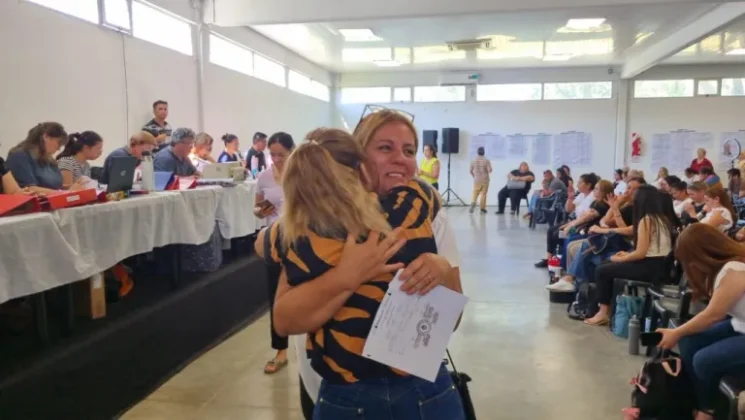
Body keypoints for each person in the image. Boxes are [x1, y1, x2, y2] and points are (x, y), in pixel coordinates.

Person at [268, 112, 464, 419]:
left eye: (409, 151)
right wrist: (347, 275)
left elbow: (453, 319)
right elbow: (284, 321)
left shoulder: (427, 212)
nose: (400, 159)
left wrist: (440, 268)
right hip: (340, 388)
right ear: (357, 157)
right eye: (385, 148)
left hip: (421, 381)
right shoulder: (313, 222)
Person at [657, 223, 745, 420]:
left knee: (703, 360)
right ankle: (700, 403)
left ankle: (708, 410)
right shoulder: (725, 268)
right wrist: (680, 333)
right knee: (689, 341)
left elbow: (713, 315)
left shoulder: (735, 269)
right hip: (740, 324)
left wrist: (676, 332)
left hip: (740, 325)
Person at [584, 186, 676, 326]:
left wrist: (620, 259)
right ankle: (605, 310)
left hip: (650, 267)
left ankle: (602, 313)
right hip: (659, 266)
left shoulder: (647, 220)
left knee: (602, 270)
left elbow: (640, 253)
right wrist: (627, 254)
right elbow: (649, 248)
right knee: (605, 266)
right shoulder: (661, 219)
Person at [253, 132, 295, 375]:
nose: (277, 159)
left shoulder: (301, 175)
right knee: (275, 295)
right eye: (273, 155)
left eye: (282, 154)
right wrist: (261, 210)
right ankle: (280, 350)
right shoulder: (264, 177)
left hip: (299, 238)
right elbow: (257, 207)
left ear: (292, 152)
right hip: (274, 240)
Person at [546, 179, 614, 292]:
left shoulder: (603, 205)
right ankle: (564, 272)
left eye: (597, 189)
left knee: (570, 241)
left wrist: (570, 226)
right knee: (562, 236)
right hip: (585, 229)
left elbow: (586, 218)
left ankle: (567, 274)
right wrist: (569, 224)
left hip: (593, 233)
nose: (594, 191)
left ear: (604, 192)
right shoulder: (595, 203)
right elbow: (581, 216)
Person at [535, 173, 598, 268]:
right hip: (573, 222)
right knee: (551, 230)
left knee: (557, 234)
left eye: (580, 183)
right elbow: (568, 209)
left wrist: (570, 225)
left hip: (581, 227)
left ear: (588, 185)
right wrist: (570, 198)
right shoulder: (582, 195)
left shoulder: (593, 198)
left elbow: (585, 218)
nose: (577, 185)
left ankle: (561, 261)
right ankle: (549, 259)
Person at [6, 122, 70, 193]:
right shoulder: (19, 155)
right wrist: (64, 193)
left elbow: (56, 186)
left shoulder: (50, 160)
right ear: (46, 137)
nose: (59, 149)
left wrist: (72, 189)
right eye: (59, 143)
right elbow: (29, 189)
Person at [469, 146, 492, 213]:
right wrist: (489, 168)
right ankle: (482, 208)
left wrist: (474, 176)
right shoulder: (486, 160)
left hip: (477, 179)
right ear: (484, 152)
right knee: (483, 194)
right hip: (485, 180)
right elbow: (489, 170)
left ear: (477, 152)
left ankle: (473, 202)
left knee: (475, 192)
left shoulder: (473, 160)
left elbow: (470, 171)